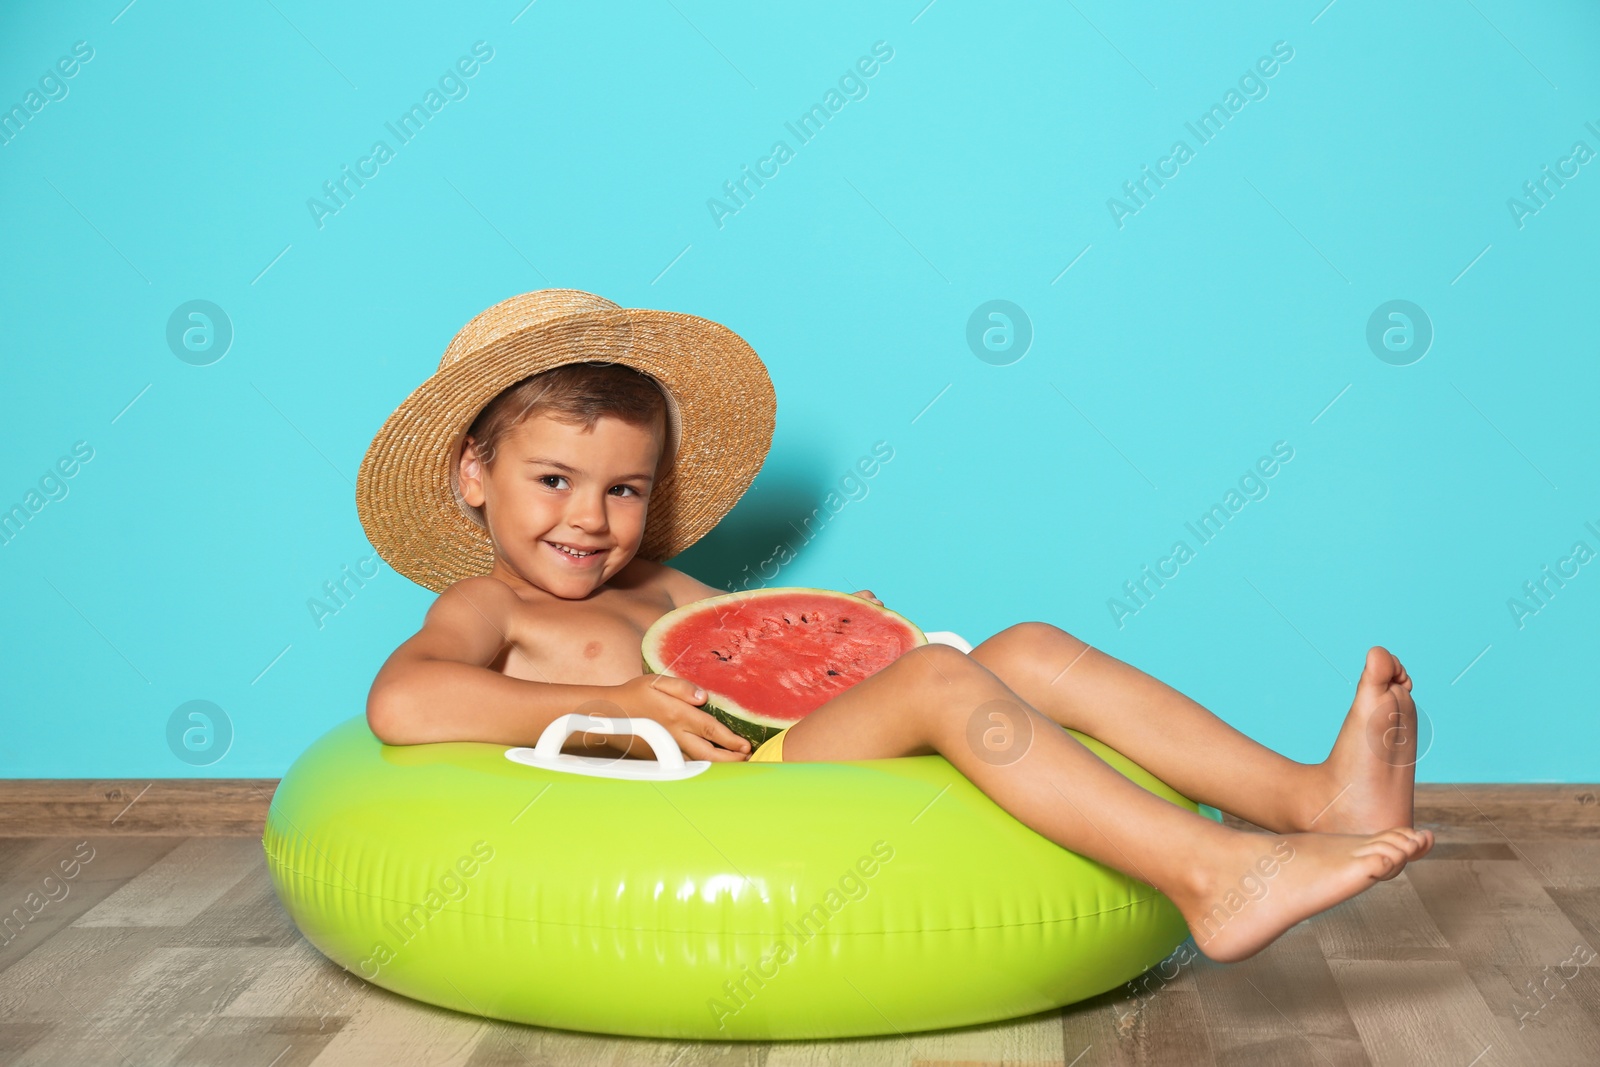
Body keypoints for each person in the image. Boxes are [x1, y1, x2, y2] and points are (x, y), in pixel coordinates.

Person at [357, 288, 1433, 965]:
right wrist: (612, 702)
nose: (590, 519)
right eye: (554, 478)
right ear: (473, 476)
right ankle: (1213, 873)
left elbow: (766, 665)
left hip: (780, 749)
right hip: (729, 796)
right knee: (938, 686)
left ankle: (1307, 795)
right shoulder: (485, 604)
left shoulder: (666, 587)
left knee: (1028, 645)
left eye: (626, 489)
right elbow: (404, 700)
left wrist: (838, 638)